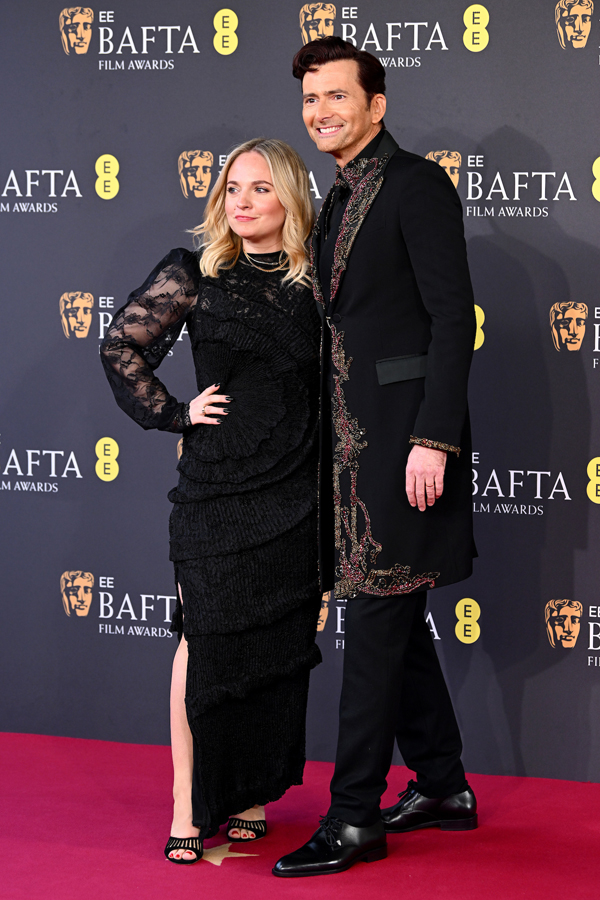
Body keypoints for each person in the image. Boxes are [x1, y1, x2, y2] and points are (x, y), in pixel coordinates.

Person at [273, 37, 478, 878]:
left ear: (377, 104)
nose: (321, 111)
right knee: (391, 616)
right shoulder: (335, 197)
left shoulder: (416, 185)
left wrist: (434, 438)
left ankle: (354, 816)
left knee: (375, 620)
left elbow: (452, 318)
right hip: (347, 449)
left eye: (337, 96)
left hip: (402, 443)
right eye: (310, 98)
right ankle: (443, 784)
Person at [100, 138, 322, 864]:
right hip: (217, 488)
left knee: (273, 645)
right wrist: (178, 413)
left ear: (291, 196)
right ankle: (187, 803)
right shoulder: (195, 272)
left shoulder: (319, 279)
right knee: (202, 639)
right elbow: (121, 347)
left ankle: (251, 794)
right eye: (232, 188)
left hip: (295, 488)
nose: (242, 201)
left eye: (260, 188)